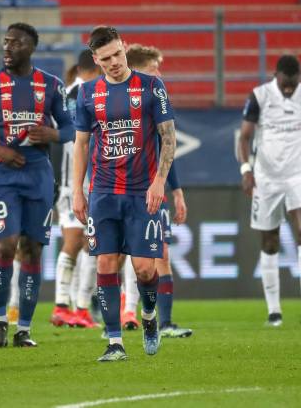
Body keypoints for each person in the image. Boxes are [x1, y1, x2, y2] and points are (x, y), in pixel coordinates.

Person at [0, 22, 74, 348]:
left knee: (32, 251)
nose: (8, 48)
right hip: (2, 177)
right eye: (6, 42)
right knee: (5, 246)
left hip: (39, 177)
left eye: (16, 43)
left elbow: (71, 127)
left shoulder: (51, 85)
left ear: (31, 48)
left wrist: (51, 134)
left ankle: (24, 328)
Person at [71, 26, 177, 362]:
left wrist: (160, 181)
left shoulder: (151, 86)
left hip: (141, 193)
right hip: (102, 191)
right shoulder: (87, 93)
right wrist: (77, 190)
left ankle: (148, 317)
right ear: (95, 59)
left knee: (145, 268)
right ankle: (114, 341)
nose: (114, 62)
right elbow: (81, 144)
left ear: (124, 47)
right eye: (106, 58)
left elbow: (168, 137)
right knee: (105, 261)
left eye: (118, 54)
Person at [237, 55, 301, 327]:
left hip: (299, 174)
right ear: (276, 76)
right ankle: (274, 311)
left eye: (293, 83)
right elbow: (245, 136)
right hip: (267, 177)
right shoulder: (259, 95)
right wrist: (246, 170)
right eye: (285, 84)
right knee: (270, 241)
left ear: (300, 76)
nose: (289, 89)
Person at [125, 44, 191, 339]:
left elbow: (167, 149)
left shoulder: (157, 100)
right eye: (154, 68)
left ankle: (163, 323)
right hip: (119, 188)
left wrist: (175, 191)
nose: (159, 74)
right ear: (138, 70)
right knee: (113, 256)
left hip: (152, 190)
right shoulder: (115, 102)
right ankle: (117, 318)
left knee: (160, 252)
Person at [51, 49, 101, 328]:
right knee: (82, 244)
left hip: (73, 179)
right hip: (78, 181)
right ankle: (70, 306)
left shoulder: (69, 92)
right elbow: (67, 137)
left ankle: (70, 306)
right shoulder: (82, 93)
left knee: (82, 244)